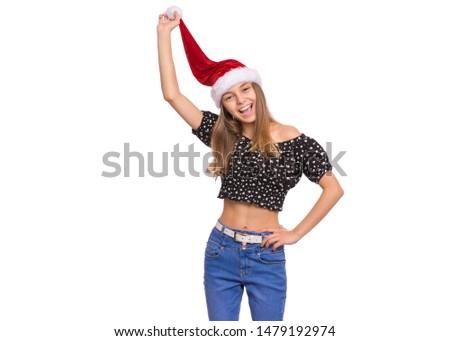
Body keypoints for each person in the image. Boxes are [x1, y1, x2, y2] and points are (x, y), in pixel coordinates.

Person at [157, 6, 344, 321]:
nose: (240, 100)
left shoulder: (296, 140)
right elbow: (172, 95)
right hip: (220, 251)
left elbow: (333, 189)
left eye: (244, 89)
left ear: (256, 89)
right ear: (224, 107)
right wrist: (164, 35)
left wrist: (295, 233)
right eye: (228, 97)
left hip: (265, 255)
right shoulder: (223, 135)